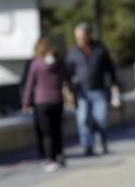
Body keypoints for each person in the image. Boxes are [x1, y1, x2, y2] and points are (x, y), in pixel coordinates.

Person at [65, 23, 119, 156]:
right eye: (78, 38)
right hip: (81, 92)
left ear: (88, 35)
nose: (81, 41)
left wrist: (114, 85)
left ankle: (102, 143)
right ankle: (87, 146)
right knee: (83, 120)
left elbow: (110, 69)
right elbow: (67, 72)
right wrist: (68, 89)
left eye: (83, 37)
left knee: (100, 118)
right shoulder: (73, 53)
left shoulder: (100, 49)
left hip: (99, 90)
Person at [23, 36, 74, 172]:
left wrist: (26, 102)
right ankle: (59, 154)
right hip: (57, 99)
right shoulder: (59, 62)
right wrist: (72, 93)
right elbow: (67, 79)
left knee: (47, 133)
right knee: (57, 130)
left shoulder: (36, 64)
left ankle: (49, 159)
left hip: (41, 101)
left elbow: (30, 84)